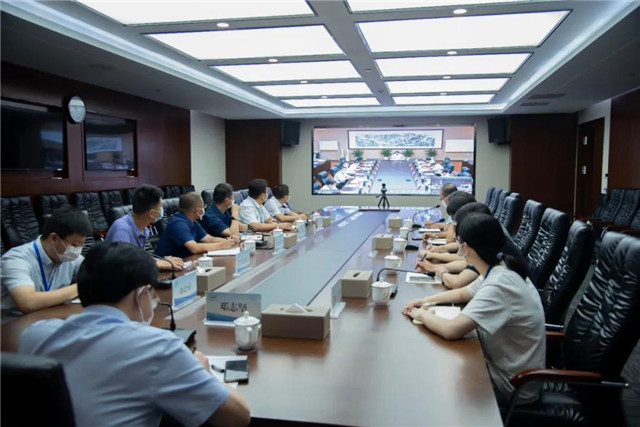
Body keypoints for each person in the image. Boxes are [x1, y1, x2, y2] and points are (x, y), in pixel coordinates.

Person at [18, 241, 250, 426]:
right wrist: (202, 370)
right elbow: (237, 418)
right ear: (141, 296)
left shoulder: (35, 335)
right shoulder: (158, 348)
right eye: (153, 294)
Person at [402, 213, 545, 406]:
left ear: (466, 248)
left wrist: (419, 314)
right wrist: (426, 300)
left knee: (432, 380)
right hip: (501, 367)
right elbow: (464, 293)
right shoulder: (499, 267)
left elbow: (450, 330)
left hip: (511, 386)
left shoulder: (500, 284)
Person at [1, 205, 92, 323]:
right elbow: (27, 303)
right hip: (12, 326)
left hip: (48, 321)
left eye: (81, 245)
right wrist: (80, 287)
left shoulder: (70, 257)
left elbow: (98, 274)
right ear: (53, 238)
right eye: (75, 245)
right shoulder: (16, 259)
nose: (77, 250)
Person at [106, 184, 183, 272]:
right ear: (152, 213)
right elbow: (123, 264)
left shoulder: (143, 228)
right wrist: (158, 264)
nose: (162, 210)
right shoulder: (122, 230)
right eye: (161, 207)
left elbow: (137, 258)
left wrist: (163, 261)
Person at [155, 192, 238, 258]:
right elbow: (194, 248)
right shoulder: (177, 224)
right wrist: (221, 245)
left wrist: (228, 241)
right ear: (198, 211)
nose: (204, 208)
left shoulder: (192, 221)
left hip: (185, 261)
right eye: (203, 206)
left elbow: (209, 239)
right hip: (167, 267)